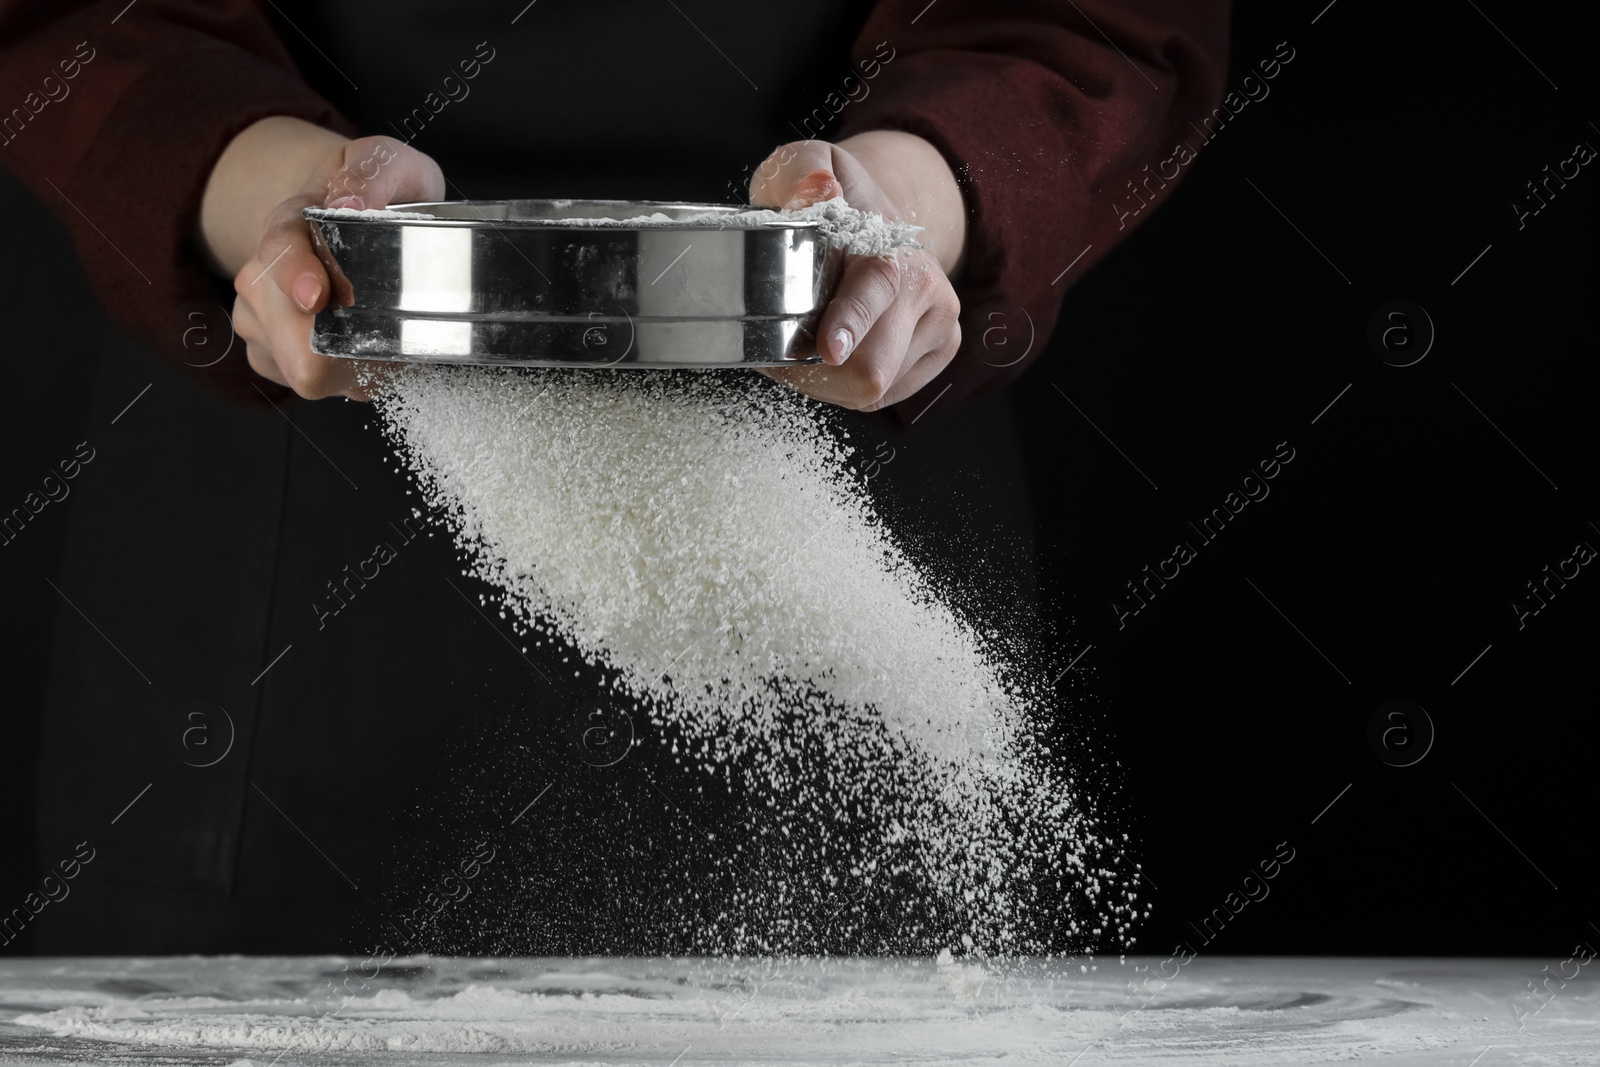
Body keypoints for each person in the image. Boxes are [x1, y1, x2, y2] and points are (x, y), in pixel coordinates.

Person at [0, 0, 1228, 954]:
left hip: (853, 421)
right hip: (274, 570)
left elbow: (1103, 20)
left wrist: (887, 214)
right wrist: (288, 209)